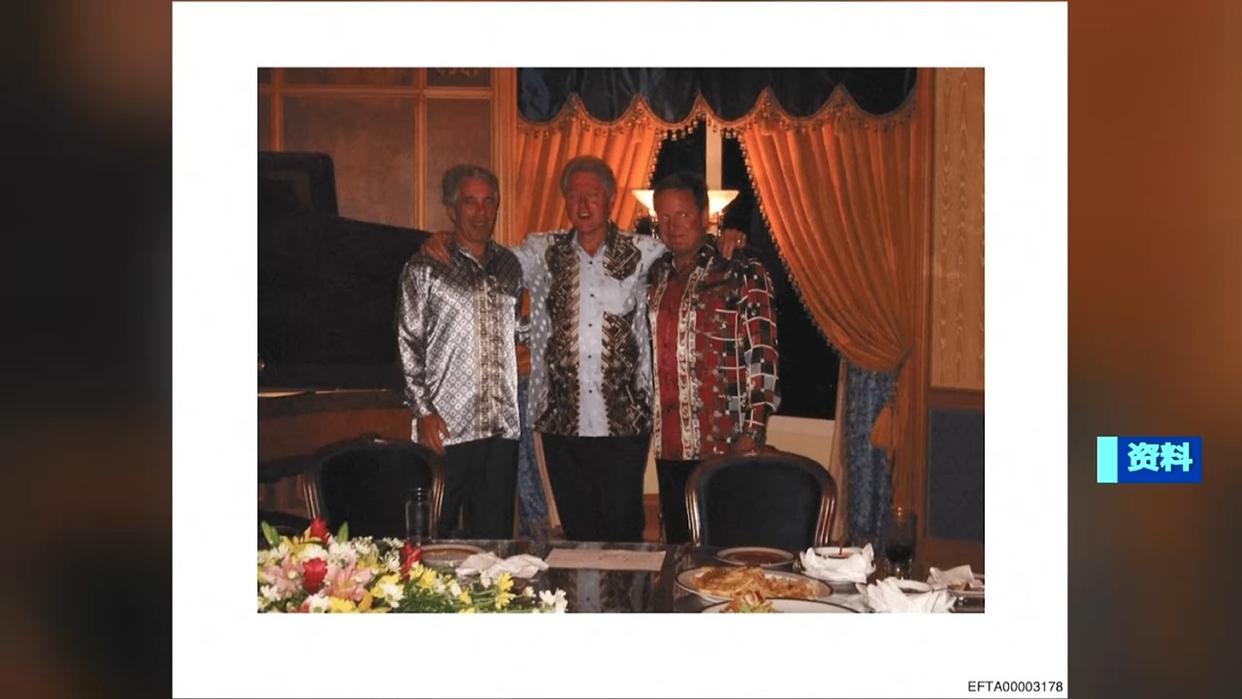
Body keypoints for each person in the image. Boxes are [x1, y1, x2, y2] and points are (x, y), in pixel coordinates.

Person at [423, 156, 744, 542]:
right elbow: (487, 257)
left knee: (623, 529)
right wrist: (446, 239)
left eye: (593, 195)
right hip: (562, 420)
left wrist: (725, 239)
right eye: (574, 195)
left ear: (610, 199)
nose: (584, 204)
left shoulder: (644, 252)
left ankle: (623, 584)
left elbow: (688, 249)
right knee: (577, 530)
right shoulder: (542, 251)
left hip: (624, 420)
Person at [646, 172, 781, 544]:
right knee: (679, 548)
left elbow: (763, 357)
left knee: (726, 551)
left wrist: (752, 432)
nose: (673, 226)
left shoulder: (741, 269)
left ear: (704, 214)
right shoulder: (656, 275)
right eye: (664, 217)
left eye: (683, 214)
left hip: (726, 444)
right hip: (670, 444)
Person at [396, 164, 523, 539]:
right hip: (445, 429)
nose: (480, 212)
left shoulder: (510, 265)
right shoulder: (425, 266)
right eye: (470, 202)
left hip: (500, 428)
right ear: (451, 209)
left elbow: (517, 329)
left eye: (489, 201)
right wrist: (423, 411)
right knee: (434, 537)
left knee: (494, 540)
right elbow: (408, 340)